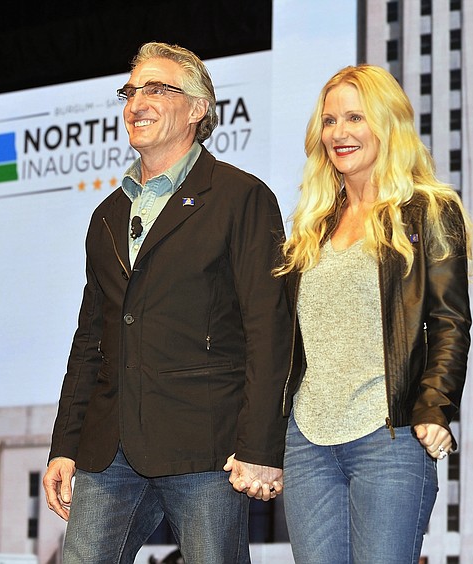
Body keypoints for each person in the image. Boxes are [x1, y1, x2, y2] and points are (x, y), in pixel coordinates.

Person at [42, 42, 291, 564]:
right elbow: (92, 339)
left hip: (207, 445)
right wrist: (65, 443)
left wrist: (261, 447)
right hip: (109, 448)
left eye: (156, 89)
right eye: (130, 92)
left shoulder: (241, 197)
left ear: (198, 108)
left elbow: (270, 329)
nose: (136, 103)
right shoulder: (107, 216)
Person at [276, 64, 473, 563]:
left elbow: (449, 321)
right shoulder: (310, 227)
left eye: (354, 118)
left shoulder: (428, 210)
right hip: (307, 444)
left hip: (388, 437)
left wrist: (436, 406)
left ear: (386, 124)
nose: (339, 133)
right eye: (329, 121)